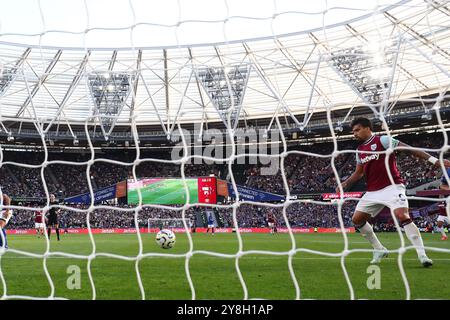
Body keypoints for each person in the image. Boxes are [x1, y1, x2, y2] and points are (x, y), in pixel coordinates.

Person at [336, 117, 450, 267]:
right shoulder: (359, 150)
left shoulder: (383, 141)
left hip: (392, 187)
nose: (354, 134)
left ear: (367, 128)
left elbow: (408, 149)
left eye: (357, 130)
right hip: (372, 192)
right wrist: (345, 183)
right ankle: (379, 249)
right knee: (357, 220)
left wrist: (434, 160)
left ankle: (423, 255)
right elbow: (359, 173)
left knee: (402, 215)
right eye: (353, 131)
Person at [436, 167, 450, 240]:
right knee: (439, 224)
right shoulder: (440, 200)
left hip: (448, 214)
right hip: (442, 214)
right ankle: (444, 235)